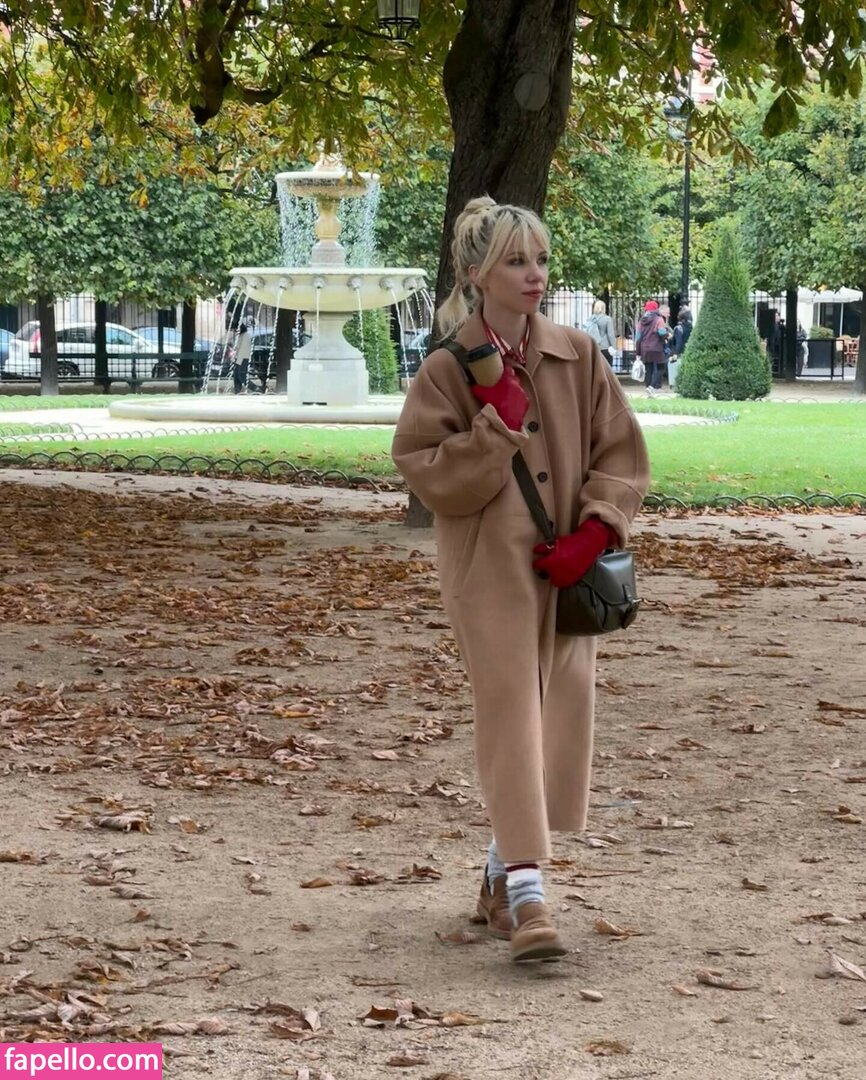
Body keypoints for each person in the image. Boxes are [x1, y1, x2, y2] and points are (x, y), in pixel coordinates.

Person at [391, 197, 649, 963]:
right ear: (478, 274)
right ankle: (530, 897)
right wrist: (492, 429)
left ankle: (498, 876)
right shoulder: (447, 369)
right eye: (515, 261)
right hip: (488, 570)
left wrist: (596, 530)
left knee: (558, 714)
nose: (535, 274)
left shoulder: (580, 355)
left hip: (567, 566)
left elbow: (621, 454)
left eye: (540, 259)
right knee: (511, 714)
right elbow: (429, 476)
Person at [634, 300, 668, 395]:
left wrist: (638, 352)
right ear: (656, 309)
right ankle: (652, 386)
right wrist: (667, 336)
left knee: (648, 369)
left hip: (645, 348)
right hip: (656, 348)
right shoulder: (659, 319)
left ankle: (648, 387)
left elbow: (638, 337)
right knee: (661, 367)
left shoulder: (641, 321)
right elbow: (661, 332)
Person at [582, 300, 617, 365]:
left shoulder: (590, 319)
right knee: (607, 368)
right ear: (604, 308)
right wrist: (614, 347)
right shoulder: (607, 319)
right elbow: (610, 335)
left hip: (594, 347)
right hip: (605, 348)